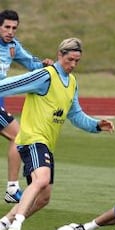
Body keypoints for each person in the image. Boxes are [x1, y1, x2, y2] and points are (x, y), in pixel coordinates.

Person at [0, 37, 115, 230]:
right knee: (41, 180)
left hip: (46, 144)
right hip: (32, 139)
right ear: (59, 55)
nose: (73, 65)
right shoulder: (45, 75)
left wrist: (96, 125)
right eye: (70, 59)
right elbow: (10, 84)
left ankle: (3, 224)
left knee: (44, 198)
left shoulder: (72, 83)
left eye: (77, 61)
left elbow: (76, 115)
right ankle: (16, 223)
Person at [0, 9, 54, 203]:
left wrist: (46, 65)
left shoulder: (13, 46)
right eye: (7, 27)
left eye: (14, 28)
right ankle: (13, 189)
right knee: (19, 136)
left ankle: (13, 188)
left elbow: (32, 64)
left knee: (19, 137)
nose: (11, 31)